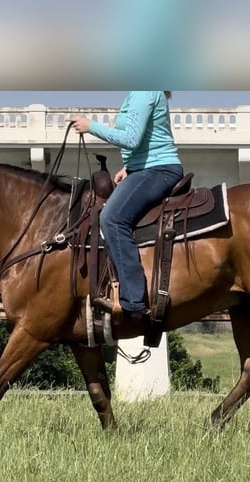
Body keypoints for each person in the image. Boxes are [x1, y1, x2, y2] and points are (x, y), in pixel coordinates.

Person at [71, 91, 183, 322]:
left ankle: (133, 301)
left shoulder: (144, 90)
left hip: (159, 169)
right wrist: (130, 168)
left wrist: (90, 126)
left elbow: (131, 138)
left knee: (112, 218)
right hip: (146, 168)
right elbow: (146, 140)